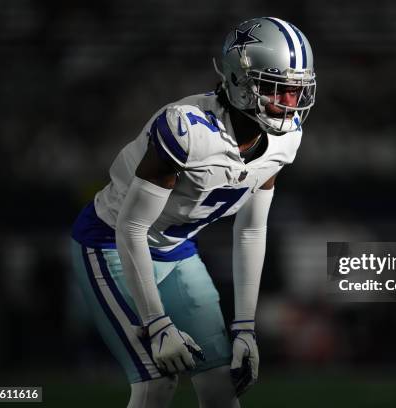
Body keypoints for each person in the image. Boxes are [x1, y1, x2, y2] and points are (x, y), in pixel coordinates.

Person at [70, 17, 316, 408]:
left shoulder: (286, 140)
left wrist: (246, 327)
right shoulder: (188, 131)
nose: (289, 103)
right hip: (110, 241)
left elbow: (251, 230)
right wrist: (156, 322)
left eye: (296, 90)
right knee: (157, 382)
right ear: (239, 81)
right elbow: (131, 226)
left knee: (221, 384)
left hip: (176, 247)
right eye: (277, 88)